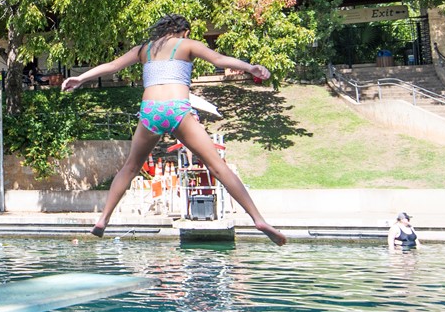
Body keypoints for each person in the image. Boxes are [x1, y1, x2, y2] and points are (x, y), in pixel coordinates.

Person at [63, 14, 282, 243]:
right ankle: (258, 218)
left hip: (150, 111)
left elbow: (111, 66)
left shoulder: (144, 49)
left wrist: (80, 79)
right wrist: (250, 67)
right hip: (177, 109)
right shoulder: (187, 44)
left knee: (130, 167)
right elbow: (219, 60)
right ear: (184, 31)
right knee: (217, 166)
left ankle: (103, 219)